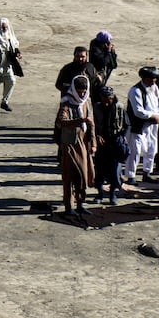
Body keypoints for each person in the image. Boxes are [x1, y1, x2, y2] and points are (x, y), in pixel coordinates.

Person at [56, 75, 97, 215]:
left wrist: (93, 143)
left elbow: (91, 125)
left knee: (82, 175)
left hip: (84, 144)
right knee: (69, 175)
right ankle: (69, 206)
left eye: (84, 91)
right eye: (79, 91)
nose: (82, 94)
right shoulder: (66, 103)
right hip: (70, 145)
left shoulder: (86, 103)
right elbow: (62, 122)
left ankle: (80, 203)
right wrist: (79, 121)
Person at [122, 67, 159, 185]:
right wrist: (153, 116)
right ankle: (131, 176)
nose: (154, 81)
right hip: (138, 125)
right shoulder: (136, 90)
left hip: (152, 125)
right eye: (151, 78)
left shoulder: (154, 88)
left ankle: (147, 173)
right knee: (135, 151)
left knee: (152, 148)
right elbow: (138, 111)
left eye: (155, 78)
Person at [92, 84, 128, 206]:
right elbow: (92, 125)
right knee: (99, 171)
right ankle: (100, 194)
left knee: (114, 171)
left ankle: (112, 194)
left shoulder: (119, 107)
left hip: (115, 144)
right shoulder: (96, 108)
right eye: (104, 99)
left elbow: (127, 125)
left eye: (109, 99)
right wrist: (97, 136)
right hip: (101, 145)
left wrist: (121, 137)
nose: (107, 102)